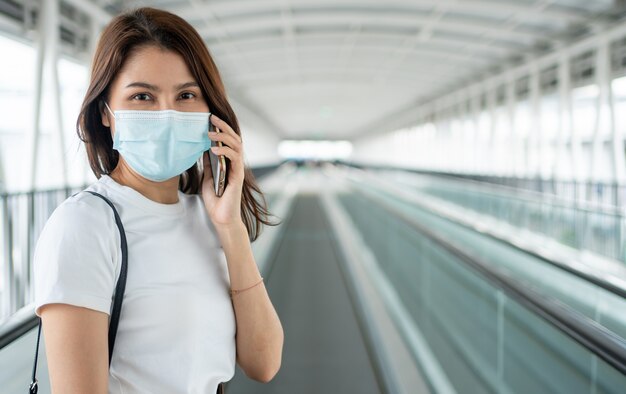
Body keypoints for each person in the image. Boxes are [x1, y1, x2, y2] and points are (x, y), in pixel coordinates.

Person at [33, 7, 284, 394]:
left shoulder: (207, 217)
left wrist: (230, 227)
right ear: (105, 113)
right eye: (142, 96)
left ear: (211, 115)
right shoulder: (84, 226)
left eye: (186, 95)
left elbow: (264, 362)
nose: (166, 114)